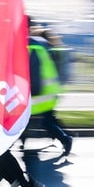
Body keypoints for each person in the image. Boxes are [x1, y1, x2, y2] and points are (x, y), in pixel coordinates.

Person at [27, 21, 73, 157]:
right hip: (48, 91)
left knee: (45, 121)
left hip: (44, 91)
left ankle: (66, 138)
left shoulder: (37, 46)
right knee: (46, 120)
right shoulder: (45, 46)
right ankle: (65, 137)